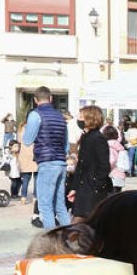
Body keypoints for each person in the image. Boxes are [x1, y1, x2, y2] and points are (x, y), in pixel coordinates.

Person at [23, 88, 70, 229]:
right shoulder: (61, 117)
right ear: (51, 98)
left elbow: (27, 140)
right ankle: (70, 238)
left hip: (47, 162)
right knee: (60, 206)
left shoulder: (35, 115)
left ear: (35, 100)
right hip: (61, 163)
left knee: (45, 206)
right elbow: (66, 145)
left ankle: (52, 242)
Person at [69, 106, 112, 222]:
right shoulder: (85, 137)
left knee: (78, 225)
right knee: (81, 225)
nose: (78, 120)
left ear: (90, 119)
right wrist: (74, 187)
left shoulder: (98, 138)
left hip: (93, 189)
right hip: (84, 188)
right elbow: (81, 165)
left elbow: (104, 166)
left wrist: (96, 185)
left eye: (81, 117)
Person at [16, 124, 37, 206]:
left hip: (24, 155)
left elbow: (18, 142)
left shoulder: (20, 129)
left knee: (25, 179)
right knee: (36, 179)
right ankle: (35, 198)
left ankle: (23, 197)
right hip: (34, 155)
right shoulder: (35, 128)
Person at [103, 125, 127, 194]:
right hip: (120, 174)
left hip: (111, 175)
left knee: (110, 198)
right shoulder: (120, 146)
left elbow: (111, 160)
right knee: (117, 196)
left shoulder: (108, 146)